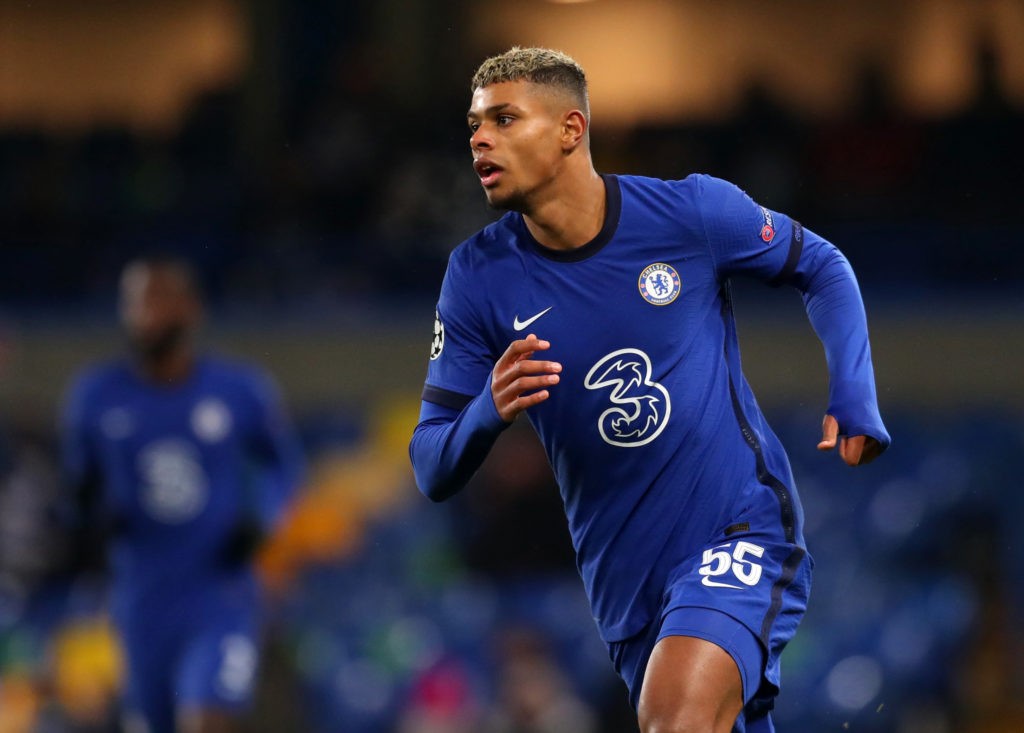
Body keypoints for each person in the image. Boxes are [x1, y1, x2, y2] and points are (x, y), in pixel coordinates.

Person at [408, 47, 890, 733]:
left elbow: (823, 264)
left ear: (571, 130)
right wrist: (488, 409)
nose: (480, 138)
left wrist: (854, 395)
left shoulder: (689, 213)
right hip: (629, 593)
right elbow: (430, 463)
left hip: (739, 531)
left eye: (505, 119)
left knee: (676, 719)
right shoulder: (477, 276)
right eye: (475, 125)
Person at [59, 257, 304, 733]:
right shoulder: (95, 396)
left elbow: (283, 464)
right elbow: (77, 491)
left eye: (158, 298)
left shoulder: (239, 390)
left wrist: (262, 518)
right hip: (141, 598)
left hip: (219, 590)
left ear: (190, 309)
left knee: (206, 718)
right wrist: (84, 519)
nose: (146, 312)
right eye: (135, 300)